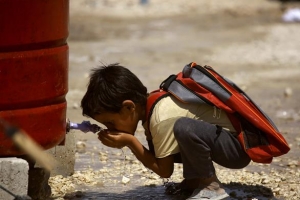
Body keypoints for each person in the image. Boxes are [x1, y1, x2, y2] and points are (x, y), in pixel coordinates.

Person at [81, 63, 251, 200]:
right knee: (160, 145)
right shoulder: (151, 108)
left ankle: (211, 187)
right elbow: (160, 157)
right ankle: (194, 181)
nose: (110, 128)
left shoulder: (160, 117)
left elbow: (164, 171)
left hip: (236, 149)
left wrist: (130, 142)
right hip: (222, 141)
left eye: (110, 122)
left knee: (184, 128)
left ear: (129, 107)